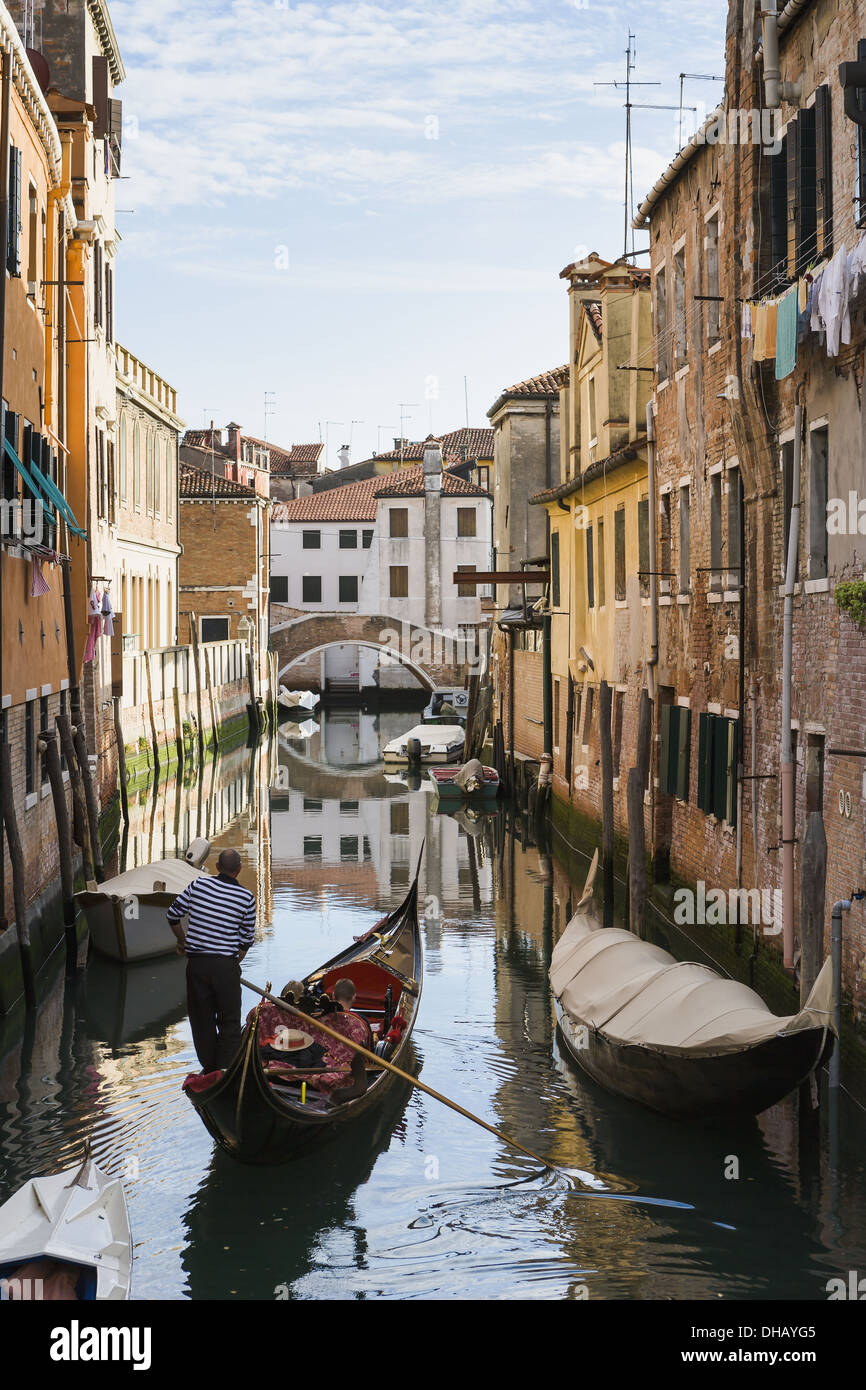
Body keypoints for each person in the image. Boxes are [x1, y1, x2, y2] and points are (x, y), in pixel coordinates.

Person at [167, 847, 256, 1074]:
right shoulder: (247, 898)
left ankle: (210, 1068)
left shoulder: (199, 885)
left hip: (197, 965)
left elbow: (173, 915)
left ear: (217, 868)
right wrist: (233, 965)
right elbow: (245, 942)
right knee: (230, 1021)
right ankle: (225, 1069)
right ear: (239, 870)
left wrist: (183, 942)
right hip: (226, 967)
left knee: (201, 1020)